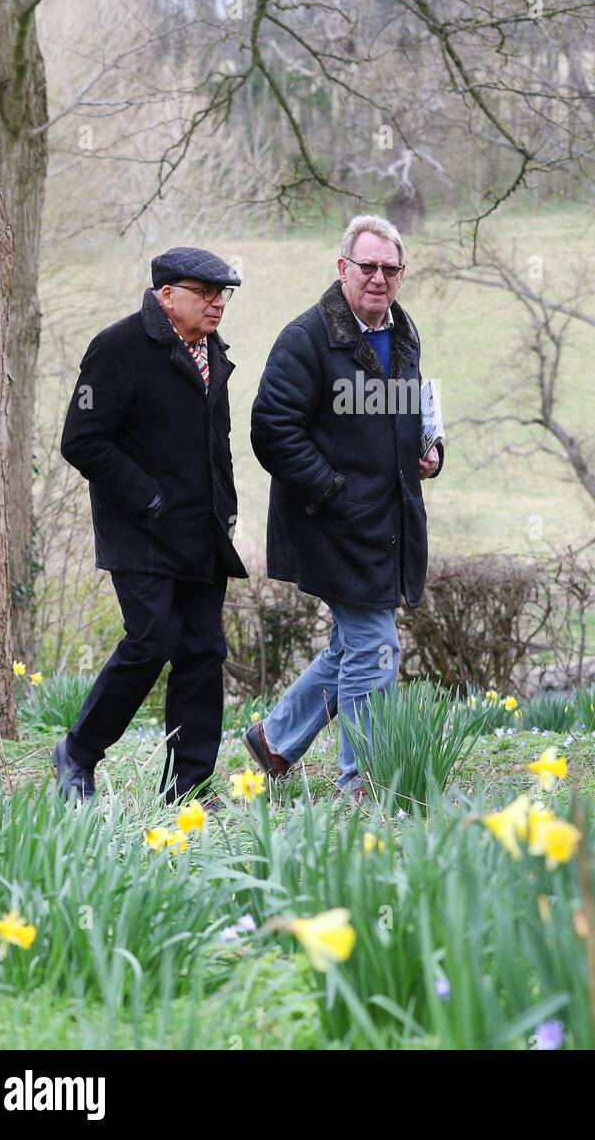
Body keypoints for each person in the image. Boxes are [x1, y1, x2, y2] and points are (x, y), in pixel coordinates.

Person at [247, 214, 443, 805]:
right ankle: (365, 780)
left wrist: (427, 454)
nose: (378, 278)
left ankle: (274, 741)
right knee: (376, 646)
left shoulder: (404, 335)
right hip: (331, 525)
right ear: (342, 269)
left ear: (401, 274)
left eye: (390, 268)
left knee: (355, 645)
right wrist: (333, 492)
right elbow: (271, 430)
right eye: (367, 267)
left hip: (392, 523)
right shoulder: (305, 339)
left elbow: (403, 420)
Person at [54, 247, 247, 804]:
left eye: (223, 294)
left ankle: (190, 787)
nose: (217, 304)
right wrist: (149, 498)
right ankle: (78, 752)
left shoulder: (213, 352)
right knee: (151, 640)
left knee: (203, 650)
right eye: (206, 292)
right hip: (140, 530)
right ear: (167, 295)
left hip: (202, 531)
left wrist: (226, 509)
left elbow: (219, 444)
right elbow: (81, 440)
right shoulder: (116, 348)